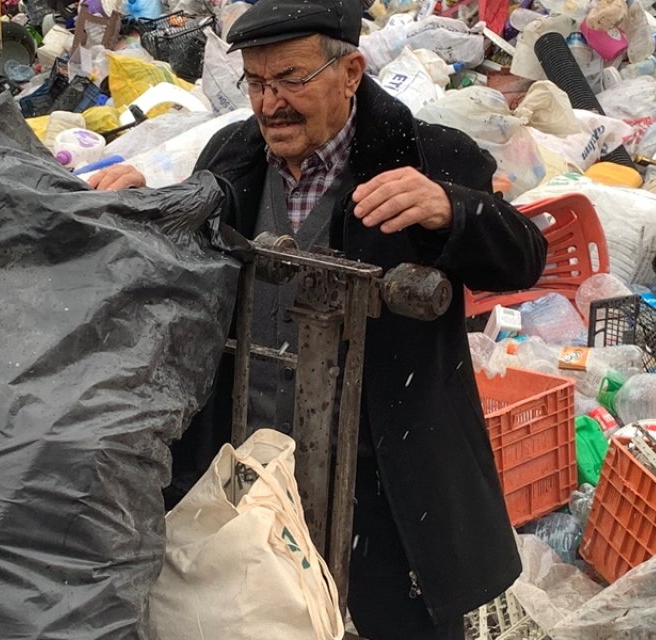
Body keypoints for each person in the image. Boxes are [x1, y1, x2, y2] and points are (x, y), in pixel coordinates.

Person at [92, 0, 547, 637]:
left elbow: (524, 259)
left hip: (383, 477)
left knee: (392, 620)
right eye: (256, 82)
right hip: (251, 464)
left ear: (352, 71)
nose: (270, 103)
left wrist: (454, 210)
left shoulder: (434, 156)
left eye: (292, 79)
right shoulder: (232, 155)